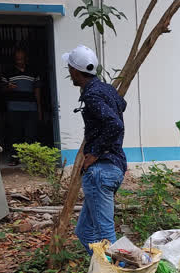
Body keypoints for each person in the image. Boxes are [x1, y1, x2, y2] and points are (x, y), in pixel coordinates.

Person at [62, 45, 127, 255]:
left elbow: (115, 124)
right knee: (84, 232)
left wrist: (94, 153)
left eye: (69, 68)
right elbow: (122, 104)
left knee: (106, 238)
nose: (69, 72)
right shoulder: (105, 89)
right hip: (114, 168)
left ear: (74, 70)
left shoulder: (91, 96)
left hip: (101, 171)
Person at [0, 47, 43, 164]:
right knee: (15, 134)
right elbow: (2, 89)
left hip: (31, 108)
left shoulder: (33, 71)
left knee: (31, 134)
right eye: (17, 59)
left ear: (26, 59)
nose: (20, 61)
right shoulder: (8, 72)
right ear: (14, 59)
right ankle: (15, 157)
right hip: (14, 108)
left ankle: (31, 158)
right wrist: (8, 87)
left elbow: (37, 90)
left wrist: (39, 108)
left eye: (22, 59)